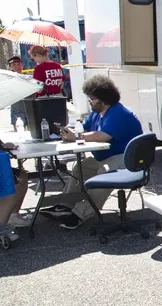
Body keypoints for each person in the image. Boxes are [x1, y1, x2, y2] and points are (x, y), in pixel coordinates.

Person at [39, 75, 143, 230]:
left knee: (104, 173)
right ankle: (65, 205)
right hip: (108, 156)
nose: (90, 101)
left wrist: (77, 136)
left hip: (128, 158)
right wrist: (72, 131)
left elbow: (103, 136)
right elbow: (84, 128)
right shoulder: (96, 112)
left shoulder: (118, 113)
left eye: (92, 98)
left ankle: (81, 214)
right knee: (81, 168)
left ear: (103, 98)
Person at [7, 56, 29, 131]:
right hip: (15, 109)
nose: (17, 67)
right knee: (17, 131)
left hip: (28, 108)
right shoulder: (8, 80)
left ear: (22, 65)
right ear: (10, 68)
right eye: (14, 65)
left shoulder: (28, 78)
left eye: (18, 64)